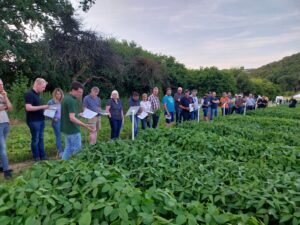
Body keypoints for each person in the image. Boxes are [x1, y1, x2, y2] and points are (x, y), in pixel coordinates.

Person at [60, 81, 95, 160]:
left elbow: (69, 114)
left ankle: (63, 163)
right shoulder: (72, 101)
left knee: (68, 148)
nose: (80, 94)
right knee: (77, 150)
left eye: (82, 92)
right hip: (73, 130)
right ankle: (77, 167)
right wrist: (85, 125)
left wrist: (78, 114)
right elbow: (72, 118)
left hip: (66, 129)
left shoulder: (65, 98)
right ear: (73, 90)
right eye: (79, 92)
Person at [25, 78, 49, 161]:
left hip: (41, 120)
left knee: (41, 138)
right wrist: (43, 107)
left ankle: (43, 156)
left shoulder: (38, 95)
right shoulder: (29, 94)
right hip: (33, 121)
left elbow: (37, 108)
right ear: (37, 85)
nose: (44, 89)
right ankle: (36, 157)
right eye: (43, 87)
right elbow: (28, 108)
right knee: (35, 139)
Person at [0, 79, 13, 179]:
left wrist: (6, 97)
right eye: (0, 84)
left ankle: (1, 165)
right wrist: (5, 107)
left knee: (2, 146)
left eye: (2, 84)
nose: (1, 86)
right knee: (3, 148)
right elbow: (6, 108)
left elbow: (10, 107)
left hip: (5, 122)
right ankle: (6, 170)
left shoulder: (2, 95)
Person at [47, 88, 64, 158]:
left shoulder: (62, 101)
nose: (58, 95)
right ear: (54, 94)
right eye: (57, 94)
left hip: (63, 121)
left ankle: (66, 150)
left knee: (65, 136)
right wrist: (53, 118)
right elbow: (48, 113)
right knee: (58, 136)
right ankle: (60, 152)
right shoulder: (51, 102)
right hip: (56, 122)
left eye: (59, 94)